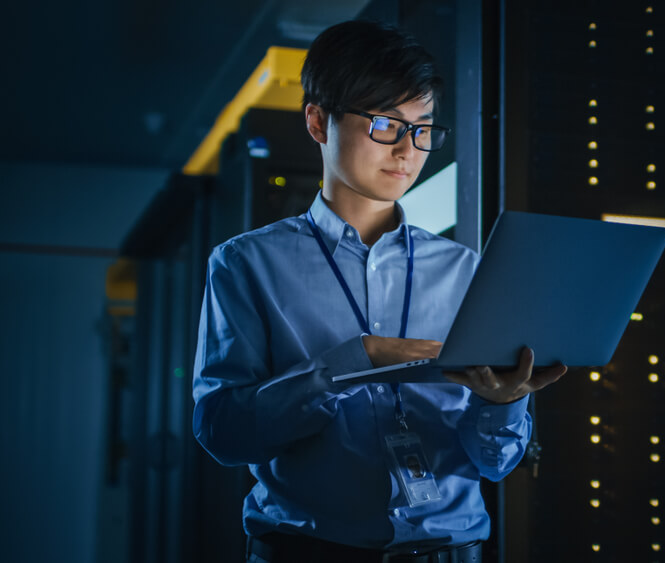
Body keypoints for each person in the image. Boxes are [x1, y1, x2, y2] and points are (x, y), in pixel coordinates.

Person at [191, 20, 566, 563]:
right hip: (308, 552)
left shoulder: (467, 271)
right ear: (319, 121)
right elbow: (222, 432)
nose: (407, 151)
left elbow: (496, 464)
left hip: (453, 552)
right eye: (386, 125)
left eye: (422, 129)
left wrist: (502, 405)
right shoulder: (246, 263)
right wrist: (350, 363)